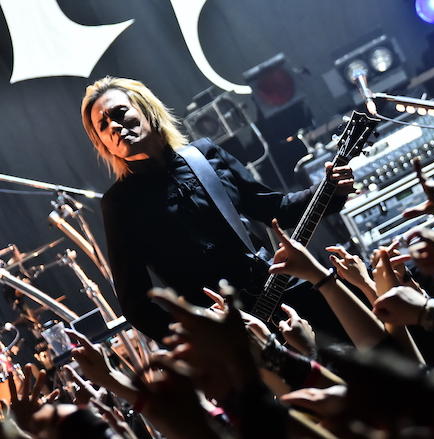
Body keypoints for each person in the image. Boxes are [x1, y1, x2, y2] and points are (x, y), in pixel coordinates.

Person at [81, 76, 356, 342]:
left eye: (120, 113)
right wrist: (204, 338)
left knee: (354, 333)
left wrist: (329, 189)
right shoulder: (120, 204)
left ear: (147, 110)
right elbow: (136, 306)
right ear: (102, 143)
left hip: (278, 290)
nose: (113, 126)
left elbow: (277, 209)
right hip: (231, 331)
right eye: (103, 125)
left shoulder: (204, 155)